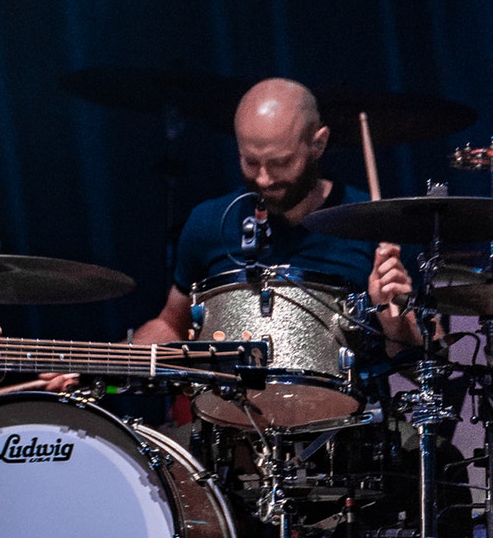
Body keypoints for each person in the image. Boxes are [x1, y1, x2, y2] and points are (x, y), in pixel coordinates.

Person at [134, 78, 417, 349]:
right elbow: (173, 325)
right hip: (230, 398)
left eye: (281, 162)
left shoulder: (377, 225)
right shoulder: (209, 223)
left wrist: (395, 325)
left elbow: (422, 360)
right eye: (250, 161)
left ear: (318, 144)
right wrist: (104, 361)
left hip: (346, 399)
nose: (264, 179)